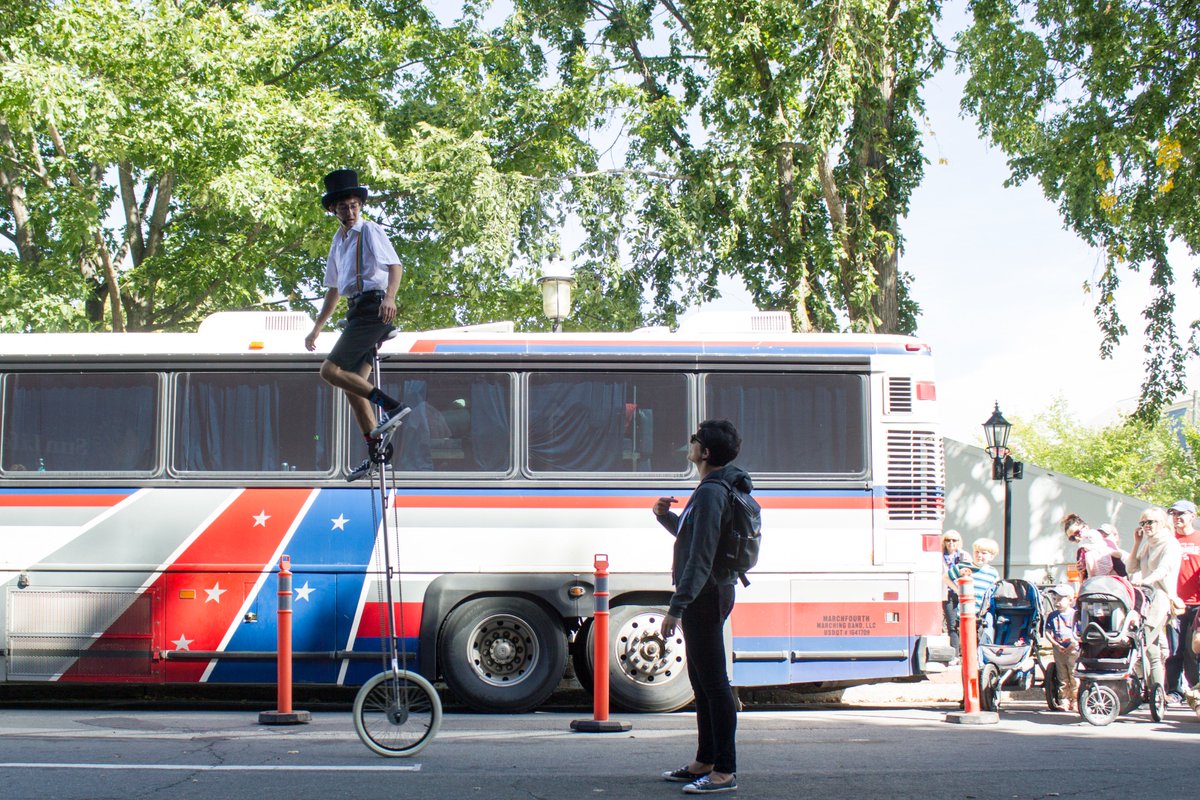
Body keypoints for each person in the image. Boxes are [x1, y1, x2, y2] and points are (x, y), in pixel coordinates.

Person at [653, 420, 750, 794]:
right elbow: (696, 538)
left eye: (694, 440)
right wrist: (666, 518)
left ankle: (724, 771)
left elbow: (700, 556)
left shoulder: (711, 492)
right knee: (701, 681)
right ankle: (704, 760)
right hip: (708, 591)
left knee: (714, 683)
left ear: (705, 452)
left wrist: (677, 607)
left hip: (706, 594)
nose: (689, 444)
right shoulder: (711, 488)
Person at [304, 169, 409, 481]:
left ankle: (392, 406)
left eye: (353, 206)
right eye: (343, 207)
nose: (349, 212)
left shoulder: (371, 231)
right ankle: (377, 454)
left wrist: (390, 297)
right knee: (350, 385)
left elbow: (395, 265)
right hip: (355, 310)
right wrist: (317, 327)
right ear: (332, 210)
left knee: (329, 371)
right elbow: (334, 290)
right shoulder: (338, 243)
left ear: (359, 207)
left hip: (374, 308)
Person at [1127, 506, 1183, 695]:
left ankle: (1153, 691)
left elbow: (1163, 569)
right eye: (1142, 523)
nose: (1146, 526)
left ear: (1162, 523)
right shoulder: (1147, 543)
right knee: (1150, 649)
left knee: (1143, 643)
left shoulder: (1170, 544)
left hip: (1160, 598)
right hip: (1144, 599)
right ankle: (1155, 692)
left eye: (1150, 522)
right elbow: (1131, 567)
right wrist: (1137, 543)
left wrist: (1145, 580)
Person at [1165, 499, 1200, 703]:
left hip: (1197, 604)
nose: (1177, 518)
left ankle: (1196, 689)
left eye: (1182, 514)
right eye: (1174, 514)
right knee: (1175, 649)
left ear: (1192, 516)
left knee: (1194, 649)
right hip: (1175, 603)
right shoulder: (1170, 540)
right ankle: (1174, 692)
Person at [1044, 584, 1080, 712]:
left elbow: (1079, 633)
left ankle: (1075, 700)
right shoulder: (1053, 616)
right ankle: (1063, 699)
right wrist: (1055, 644)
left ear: (1070, 600)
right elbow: (1048, 632)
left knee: (1074, 675)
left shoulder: (1075, 615)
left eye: (1060, 599)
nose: (1057, 602)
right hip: (1059, 649)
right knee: (1062, 676)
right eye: (1055, 599)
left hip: (1073, 648)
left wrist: (1073, 644)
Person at [941, 530, 970, 664]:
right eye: (948, 540)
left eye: (954, 540)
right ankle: (955, 655)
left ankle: (968, 653)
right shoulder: (939, 556)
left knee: (965, 623)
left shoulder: (965, 556)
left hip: (963, 593)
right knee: (951, 624)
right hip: (947, 593)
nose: (951, 543)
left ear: (959, 542)